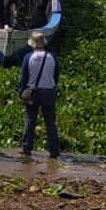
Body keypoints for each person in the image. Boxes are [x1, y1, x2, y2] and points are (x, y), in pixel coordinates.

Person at [18, 31, 60, 159]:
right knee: (50, 123)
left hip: (33, 92)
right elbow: (56, 75)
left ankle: (27, 148)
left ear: (33, 44)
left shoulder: (28, 57)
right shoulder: (52, 57)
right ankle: (53, 150)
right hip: (48, 92)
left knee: (30, 120)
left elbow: (23, 78)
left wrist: (20, 93)